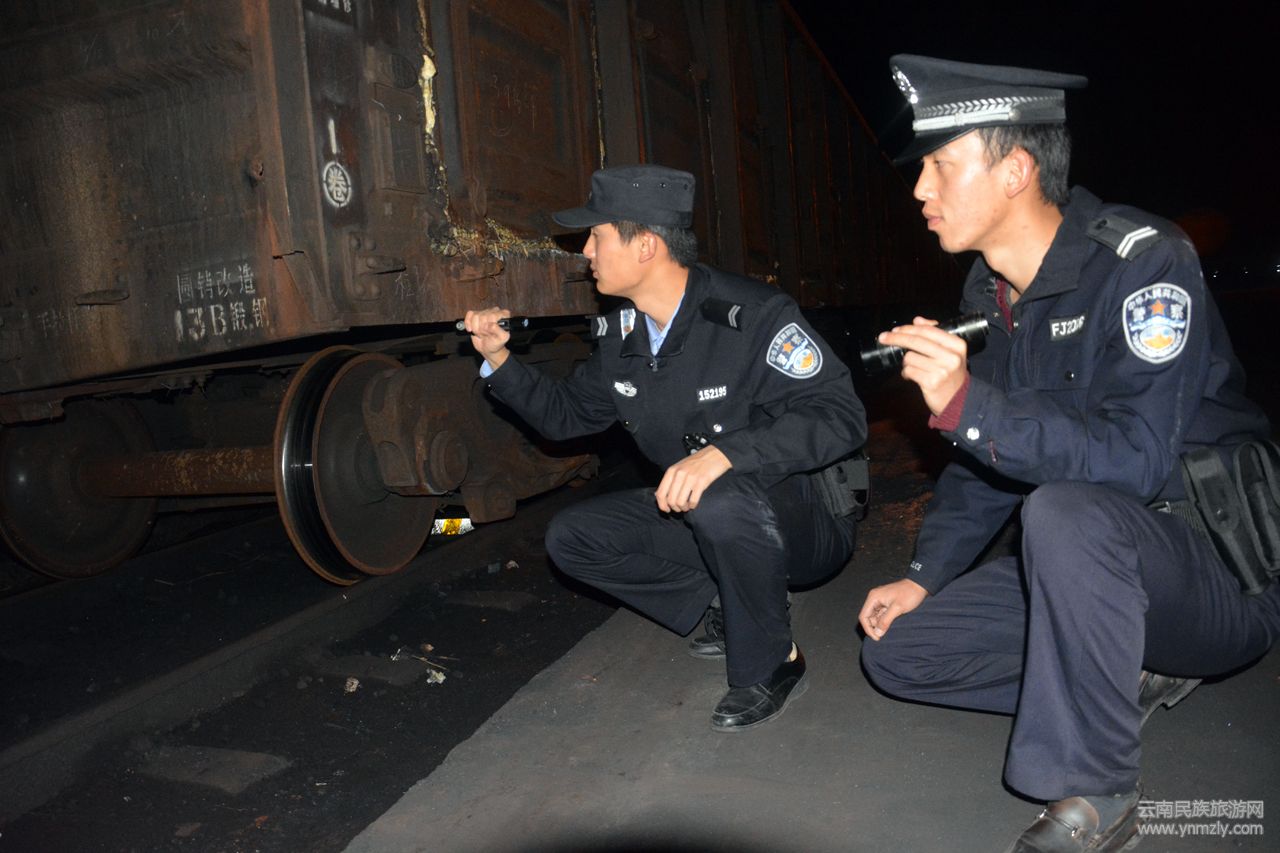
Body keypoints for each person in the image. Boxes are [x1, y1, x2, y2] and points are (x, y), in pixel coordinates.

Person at [857, 55, 1280, 852]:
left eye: (941, 165)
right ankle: (1118, 676)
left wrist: (967, 402)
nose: (920, 189)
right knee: (900, 653)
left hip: (1213, 570)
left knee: (1063, 510)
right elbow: (986, 464)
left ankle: (1100, 790)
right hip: (1090, 575)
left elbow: (1137, 462)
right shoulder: (990, 293)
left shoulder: (1146, 262)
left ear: (1016, 171)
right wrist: (923, 575)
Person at [464, 164, 865, 731]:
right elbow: (566, 415)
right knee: (573, 538)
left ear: (646, 245)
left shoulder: (753, 315)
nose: (586, 251)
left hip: (805, 522)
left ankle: (774, 661)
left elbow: (841, 416)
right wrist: (499, 359)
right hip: (711, 517)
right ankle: (727, 600)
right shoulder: (623, 334)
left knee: (719, 494)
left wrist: (727, 454)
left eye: (596, 235)